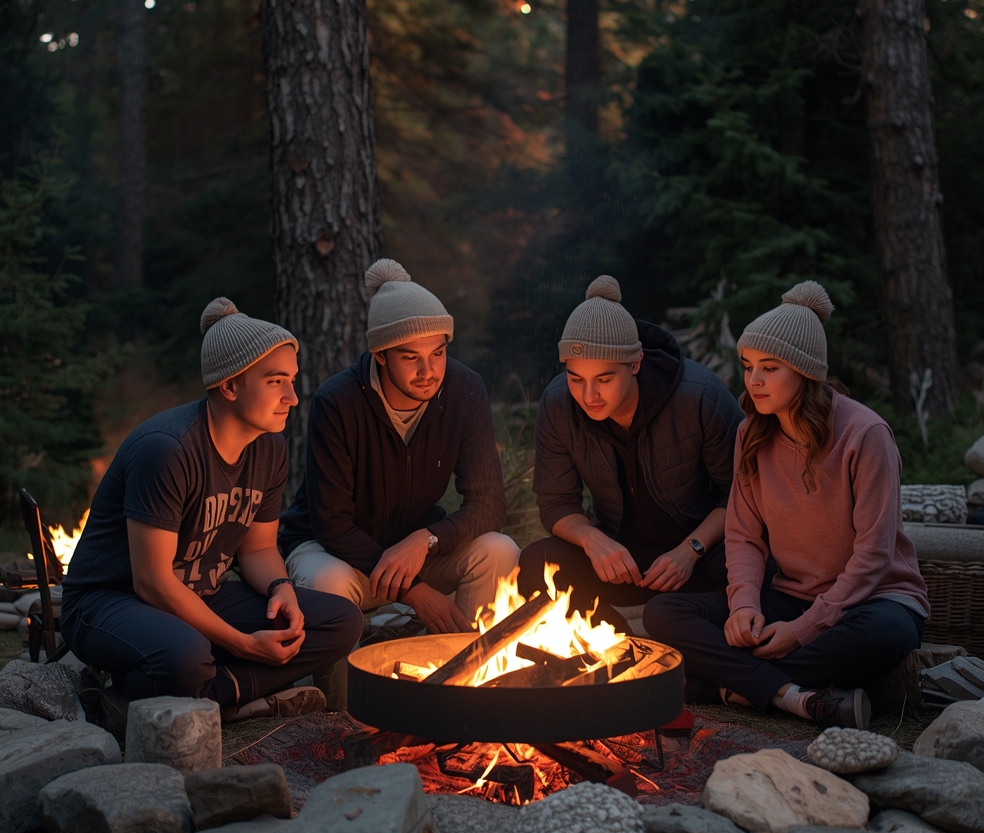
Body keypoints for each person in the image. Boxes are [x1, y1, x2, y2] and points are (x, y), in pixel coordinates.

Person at [644, 281, 929, 729]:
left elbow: (874, 556)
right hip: (792, 596)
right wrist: (743, 605)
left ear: (804, 372)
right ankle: (790, 696)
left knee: (886, 635)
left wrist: (802, 630)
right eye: (748, 366)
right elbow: (743, 535)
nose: (753, 380)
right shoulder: (751, 434)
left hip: (873, 600)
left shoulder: (865, 434)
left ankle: (720, 687)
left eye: (769, 368)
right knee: (663, 613)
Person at [61, 299, 363, 720]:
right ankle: (139, 696)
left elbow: (258, 549)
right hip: (111, 602)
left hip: (202, 594)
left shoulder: (270, 448)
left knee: (342, 621)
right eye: (276, 381)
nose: (293, 398)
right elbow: (152, 582)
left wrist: (282, 588)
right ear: (229, 387)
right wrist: (242, 644)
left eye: (293, 380)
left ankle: (212, 694)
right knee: (186, 656)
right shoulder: (167, 449)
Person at [279, 258, 519, 635]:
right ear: (380, 354)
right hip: (334, 553)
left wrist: (426, 539)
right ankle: (345, 676)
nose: (428, 372)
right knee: (328, 581)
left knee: (500, 551)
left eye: (437, 353)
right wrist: (416, 593)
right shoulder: (338, 402)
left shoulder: (465, 390)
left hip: (414, 548)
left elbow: (489, 504)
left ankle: (464, 664)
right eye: (411, 358)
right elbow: (333, 525)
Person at [517, 275, 743, 629]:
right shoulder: (559, 404)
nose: (588, 395)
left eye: (604, 379)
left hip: (700, 555)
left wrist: (691, 550)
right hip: (620, 560)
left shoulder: (699, 397)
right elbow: (556, 502)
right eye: (576, 379)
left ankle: (691, 635)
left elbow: (743, 493)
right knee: (536, 561)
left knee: (749, 565)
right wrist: (592, 539)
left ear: (635, 363)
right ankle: (617, 648)